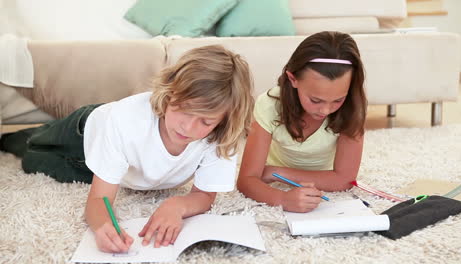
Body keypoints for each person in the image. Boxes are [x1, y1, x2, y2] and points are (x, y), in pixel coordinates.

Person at [0, 45, 254, 253]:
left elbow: (205, 195)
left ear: (223, 121)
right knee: (29, 152)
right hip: (81, 136)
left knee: (51, 162)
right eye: (183, 110)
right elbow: (99, 200)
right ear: (168, 93)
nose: (188, 127)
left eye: (205, 121)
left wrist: (177, 206)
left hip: (112, 163)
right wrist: (102, 227)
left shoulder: (221, 136)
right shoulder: (125, 121)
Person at [237, 31, 367, 213]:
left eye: (338, 100)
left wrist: (277, 173)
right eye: (315, 100)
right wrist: (282, 198)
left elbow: (344, 180)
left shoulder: (352, 107)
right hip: (282, 175)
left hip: (280, 172)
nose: (325, 110)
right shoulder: (269, 105)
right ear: (293, 79)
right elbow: (246, 180)